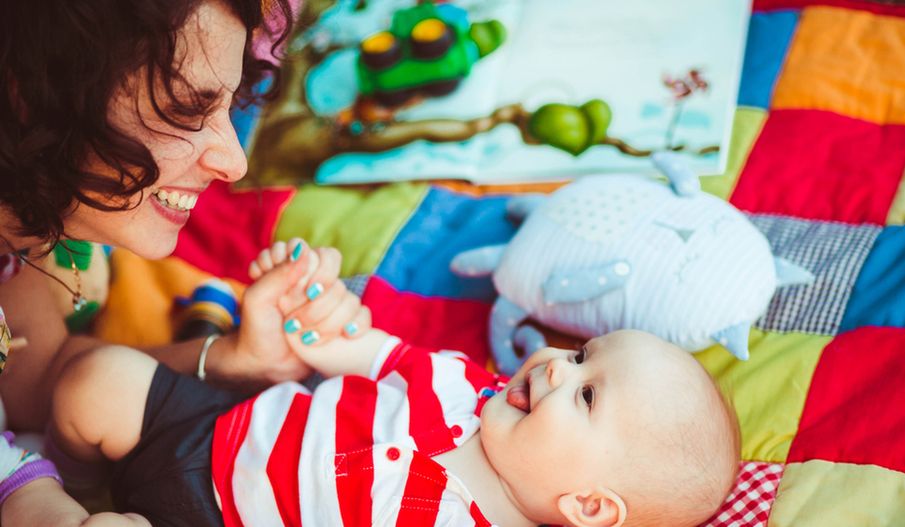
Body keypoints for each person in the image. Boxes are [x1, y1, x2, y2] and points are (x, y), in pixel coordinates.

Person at [49, 242, 741, 527]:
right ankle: (61, 473)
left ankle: (82, 509)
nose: (560, 362)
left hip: (221, 519)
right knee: (91, 379)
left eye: (589, 392)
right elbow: (357, 346)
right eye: (586, 350)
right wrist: (308, 300)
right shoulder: (462, 384)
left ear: (590, 505)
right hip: (221, 422)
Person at [0, 1, 369, 524]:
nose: (235, 164)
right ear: (31, 97)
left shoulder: (31, 238)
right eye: (186, 109)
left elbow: (32, 378)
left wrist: (235, 359)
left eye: (226, 108)